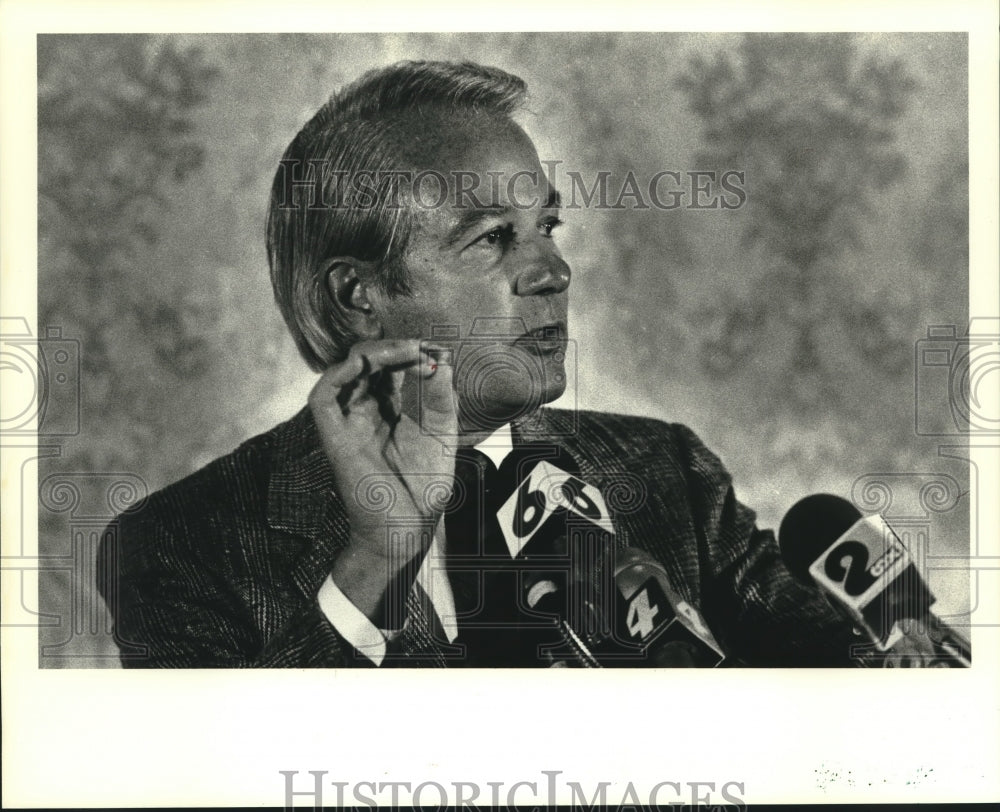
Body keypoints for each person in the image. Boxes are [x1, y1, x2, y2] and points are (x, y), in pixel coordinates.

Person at [98, 60, 884, 668]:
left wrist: (902, 656)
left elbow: (845, 710)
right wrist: (376, 558)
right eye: (491, 238)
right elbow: (226, 783)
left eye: (547, 227)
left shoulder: (668, 473)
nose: (552, 273)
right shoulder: (177, 546)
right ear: (358, 295)